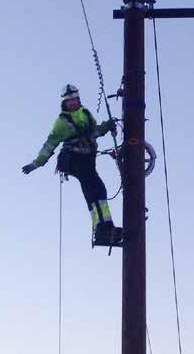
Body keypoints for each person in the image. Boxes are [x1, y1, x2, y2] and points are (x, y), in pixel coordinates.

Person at [22, 84, 122, 247]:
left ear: (78, 99)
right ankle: (103, 230)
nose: (72, 103)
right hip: (73, 159)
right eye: (69, 101)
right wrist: (37, 163)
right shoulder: (62, 122)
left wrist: (105, 127)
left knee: (96, 191)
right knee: (94, 188)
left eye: (74, 100)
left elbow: (92, 132)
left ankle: (103, 228)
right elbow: (51, 143)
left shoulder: (86, 114)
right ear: (64, 104)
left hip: (87, 159)